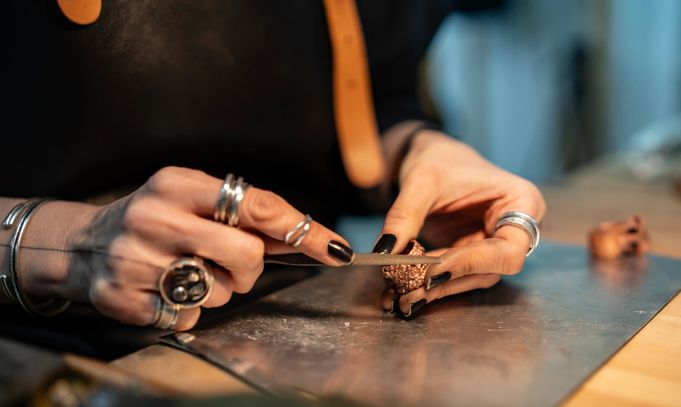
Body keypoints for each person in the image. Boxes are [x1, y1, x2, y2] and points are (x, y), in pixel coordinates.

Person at [0, 1, 545, 331]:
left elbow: (379, 99)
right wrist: (64, 244)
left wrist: (420, 151)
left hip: (308, 315)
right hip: (40, 344)